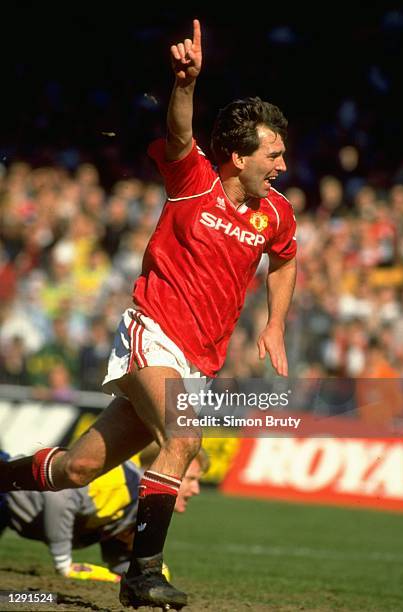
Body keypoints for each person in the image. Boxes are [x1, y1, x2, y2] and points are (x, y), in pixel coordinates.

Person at [0, 19, 297, 610]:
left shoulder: (277, 214)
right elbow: (180, 133)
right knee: (183, 434)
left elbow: (285, 261)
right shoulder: (194, 183)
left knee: (80, 468)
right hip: (152, 332)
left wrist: (275, 324)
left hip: (196, 359)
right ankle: (143, 573)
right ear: (237, 157)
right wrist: (184, 85)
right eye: (274, 153)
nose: (284, 164)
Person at [0, 447, 208, 582]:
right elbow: (60, 497)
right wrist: (63, 562)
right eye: (190, 479)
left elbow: (118, 559)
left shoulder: (136, 506)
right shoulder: (120, 482)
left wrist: (144, 571)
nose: (196, 489)